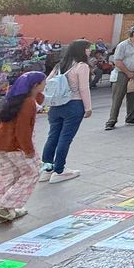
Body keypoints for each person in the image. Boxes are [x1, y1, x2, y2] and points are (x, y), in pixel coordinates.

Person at [0, 71, 46, 222]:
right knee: (32, 172)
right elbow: (23, 129)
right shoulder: (27, 103)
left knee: (7, 176)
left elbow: (39, 101)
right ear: (35, 85)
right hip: (14, 145)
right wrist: (28, 150)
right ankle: (5, 206)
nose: (46, 84)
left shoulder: (17, 98)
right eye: (43, 82)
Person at [40, 39, 92, 183]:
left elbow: (47, 83)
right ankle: (59, 170)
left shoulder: (60, 65)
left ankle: (47, 169)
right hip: (74, 104)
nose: (89, 51)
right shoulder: (82, 66)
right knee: (65, 138)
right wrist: (88, 107)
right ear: (82, 50)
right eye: (88, 48)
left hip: (55, 106)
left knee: (53, 136)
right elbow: (84, 88)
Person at [106, 26, 134, 130]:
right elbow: (117, 61)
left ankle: (131, 118)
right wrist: (127, 72)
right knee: (118, 97)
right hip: (122, 74)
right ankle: (112, 120)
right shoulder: (123, 45)